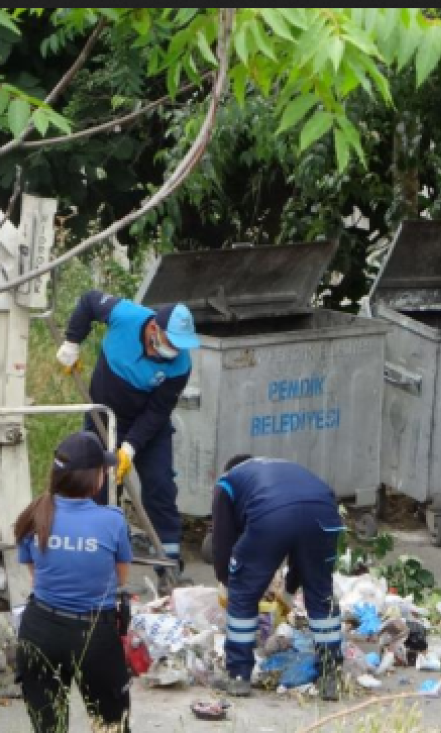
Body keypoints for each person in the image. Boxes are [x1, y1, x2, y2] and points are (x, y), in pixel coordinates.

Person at [55, 291, 200, 574]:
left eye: (181, 345)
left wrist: (130, 448)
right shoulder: (126, 315)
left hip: (149, 428)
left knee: (160, 486)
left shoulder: (181, 366)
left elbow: (158, 411)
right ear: (154, 329)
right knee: (100, 488)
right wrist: (73, 342)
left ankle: (168, 565)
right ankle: (97, 562)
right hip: (104, 419)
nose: (176, 351)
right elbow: (87, 301)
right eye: (172, 343)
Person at [15, 432, 133, 733]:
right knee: (110, 726)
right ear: (94, 478)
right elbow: (120, 578)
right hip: (94, 636)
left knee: (48, 726)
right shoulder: (112, 520)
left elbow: (35, 574)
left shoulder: (33, 515)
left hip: (39, 631)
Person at [210, 456, 344, 700]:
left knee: (243, 592)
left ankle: (238, 676)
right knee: (322, 595)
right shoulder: (284, 470)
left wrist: (226, 581)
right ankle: (330, 675)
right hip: (324, 511)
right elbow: (302, 548)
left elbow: (222, 539)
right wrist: (289, 592)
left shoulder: (227, 482)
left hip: (272, 516)